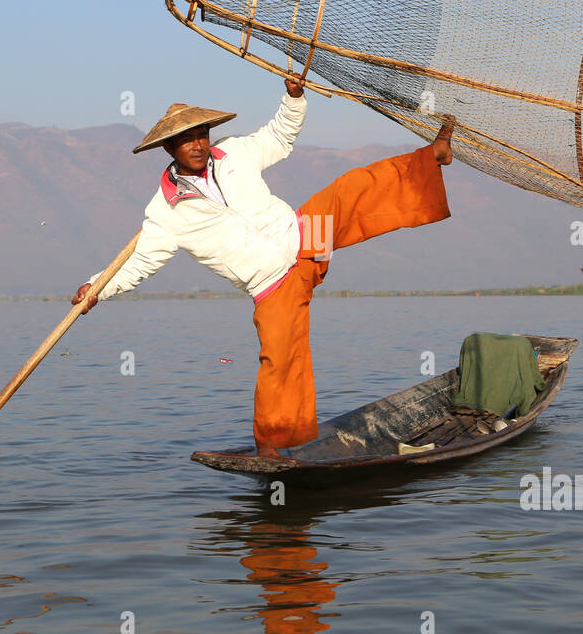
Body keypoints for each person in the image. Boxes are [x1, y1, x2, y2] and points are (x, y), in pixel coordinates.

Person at [71, 80, 453, 457]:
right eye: (187, 139)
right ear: (169, 148)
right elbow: (139, 263)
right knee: (280, 361)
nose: (198, 144)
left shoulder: (234, 153)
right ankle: (274, 446)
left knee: (350, 189)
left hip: (306, 239)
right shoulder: (165, 212)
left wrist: (294, 98)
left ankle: (432, 155)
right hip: (275, 284)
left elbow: (279, 137)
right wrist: (96, 289)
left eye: (202, 134)